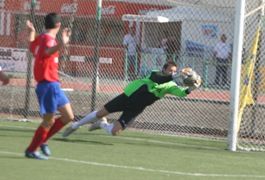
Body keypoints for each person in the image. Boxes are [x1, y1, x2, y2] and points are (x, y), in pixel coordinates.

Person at [62, 61, 201, 137]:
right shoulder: (155, 73)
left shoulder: (170, 85)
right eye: (170, 70)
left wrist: (192, 88)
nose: (173, 73)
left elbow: (182, 93)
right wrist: (173, 76)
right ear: (164, 69)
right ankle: (74, 126)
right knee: (100, 113)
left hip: (137, 108)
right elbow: (157, 79)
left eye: (174, 71)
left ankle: (102, 125)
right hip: (128, 96)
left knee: (114, 132)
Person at [25, 13, 74, 160]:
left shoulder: (40, 38)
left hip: (53, 85)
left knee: (68, 116)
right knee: (48, 121)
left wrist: (31, 33)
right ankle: (31, 150)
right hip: (48, 85)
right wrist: (63, 43)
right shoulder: (48, 39)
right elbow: (47, 52)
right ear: (58, 26)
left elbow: (32, 49)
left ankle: (43, 140)